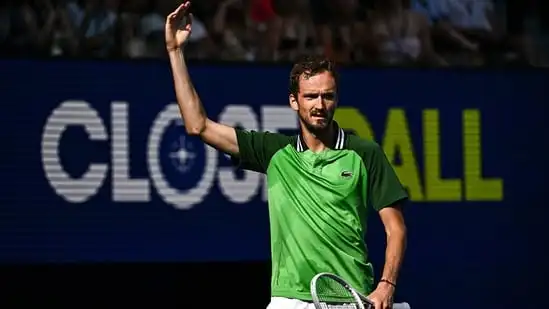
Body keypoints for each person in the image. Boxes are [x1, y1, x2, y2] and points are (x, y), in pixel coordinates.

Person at [165, 2, 408, 309]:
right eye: (311, 96)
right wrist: (175, 52)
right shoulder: (275, 152)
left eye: (327, 96)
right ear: (294, 101)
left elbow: (396, 228)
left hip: (353, 298)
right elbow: (197, 125)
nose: (320, 105)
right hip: (291, 300)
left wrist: (386, 286)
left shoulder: (365, 153)